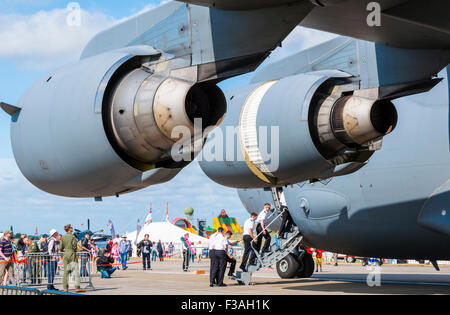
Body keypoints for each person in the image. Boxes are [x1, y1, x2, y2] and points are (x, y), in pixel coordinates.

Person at [60, 224, 84, 293]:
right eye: (71, 227)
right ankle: (77, 287)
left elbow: (60, 248)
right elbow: (74, 247)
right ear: (69, 229)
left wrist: (65, 250)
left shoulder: (63, 237)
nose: (72, 228)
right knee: (75, 271)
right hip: (72, 254)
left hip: (66, 254)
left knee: (65, 272)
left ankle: (65, 288)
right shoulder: (72, 237)